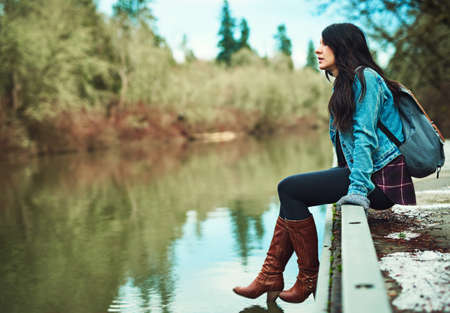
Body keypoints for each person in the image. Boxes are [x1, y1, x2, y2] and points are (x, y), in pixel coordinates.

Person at [232, 23, 416, 304]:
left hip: (379, 182)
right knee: (292, 193)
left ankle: (305, 278)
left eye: (324, 43)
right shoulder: (348, 83)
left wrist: (357, 190)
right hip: (367, 175)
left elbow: (366, 139)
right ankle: (271, 274)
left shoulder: (366, 79)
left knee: (290, 189)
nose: (318, 49)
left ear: (343, 46)